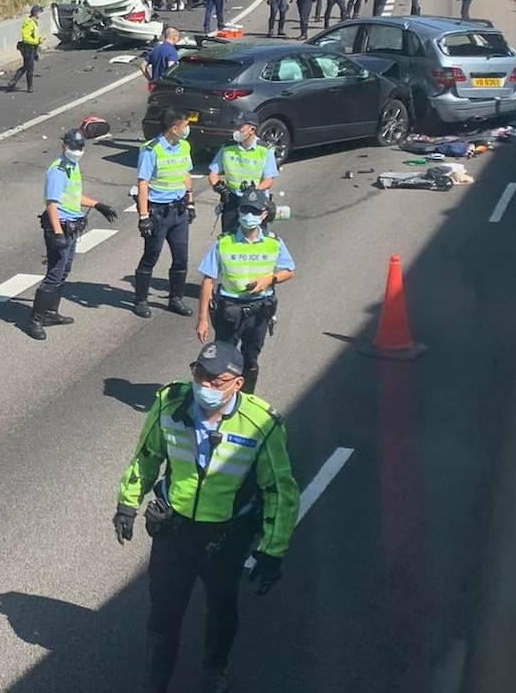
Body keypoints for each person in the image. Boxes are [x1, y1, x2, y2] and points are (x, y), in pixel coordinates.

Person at [114, 339, 300, 693]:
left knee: (221, 608)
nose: (206, 386)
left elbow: (279, 489)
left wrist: (273, 550)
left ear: (238, 384)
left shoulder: (261, 424)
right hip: (174, 532)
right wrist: (128, 502)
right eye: (201, 375)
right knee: (163, 616)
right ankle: (155, 683)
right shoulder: (170, 404)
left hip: (225, 539)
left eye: (217, 381)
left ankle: (215, 670)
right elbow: (148, 455)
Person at [194, 189, 294, 393]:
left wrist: (269, 279)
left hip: (259, 311)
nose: (249, 216)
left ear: (264, 214)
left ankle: (245, 398)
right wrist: (202, 319)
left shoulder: (274, 243)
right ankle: (220, 397)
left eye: (255, 212)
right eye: (246, 210)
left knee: (250, 359)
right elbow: (208, 280)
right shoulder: (224, 242)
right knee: (221, 361)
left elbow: (289, 270)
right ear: (239, 212)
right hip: (229, 311)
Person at [32, 129, 117, 340]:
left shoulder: (73, 166)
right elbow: (52, 204)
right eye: (74, 147)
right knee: (55, 273)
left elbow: (73, 196)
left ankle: (51, 312)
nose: (78, 151)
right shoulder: (58, 170)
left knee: (64, 271)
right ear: (64, 146)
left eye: (80, 147)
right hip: (59, 226)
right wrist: (58, 233)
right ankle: (36, 319)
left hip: (71, 225)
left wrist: (97, 204)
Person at [132, 110, 198, 318]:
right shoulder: (151, 150)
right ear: (174, 128)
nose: (187, 129)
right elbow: (143, 183)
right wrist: (144, 216)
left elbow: (186, 175)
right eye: (185, 125)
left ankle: (175, 298)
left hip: (178, 210)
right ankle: (140, 300)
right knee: (151, 256)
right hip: (158, 212)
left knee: (181, 258)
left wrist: (190, 202)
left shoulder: (184, 146)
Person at [207, 122, 279, 235]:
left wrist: (254, 191)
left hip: (255, 203)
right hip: (232, 200)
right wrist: (217, 186)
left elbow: (269, 180)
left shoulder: (265, 149)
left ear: (252, 129)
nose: (236, 130)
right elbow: (213, 172)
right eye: (235, 127)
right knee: (229, 239)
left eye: (240, 127)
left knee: (256, 240)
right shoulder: (228, 147)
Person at [4, 4, 43, 93]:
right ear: (35, 13)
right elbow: (26, 37)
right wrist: (35, 42)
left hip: (32, 47)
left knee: (26, 66)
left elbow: (35, 35)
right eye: (39, 13)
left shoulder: (34, 22)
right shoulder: (29, 22)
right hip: (28, 48)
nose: (40, 15)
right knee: (30, 68)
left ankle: (13, 82)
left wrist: (39, 40)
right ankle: (30, 87)